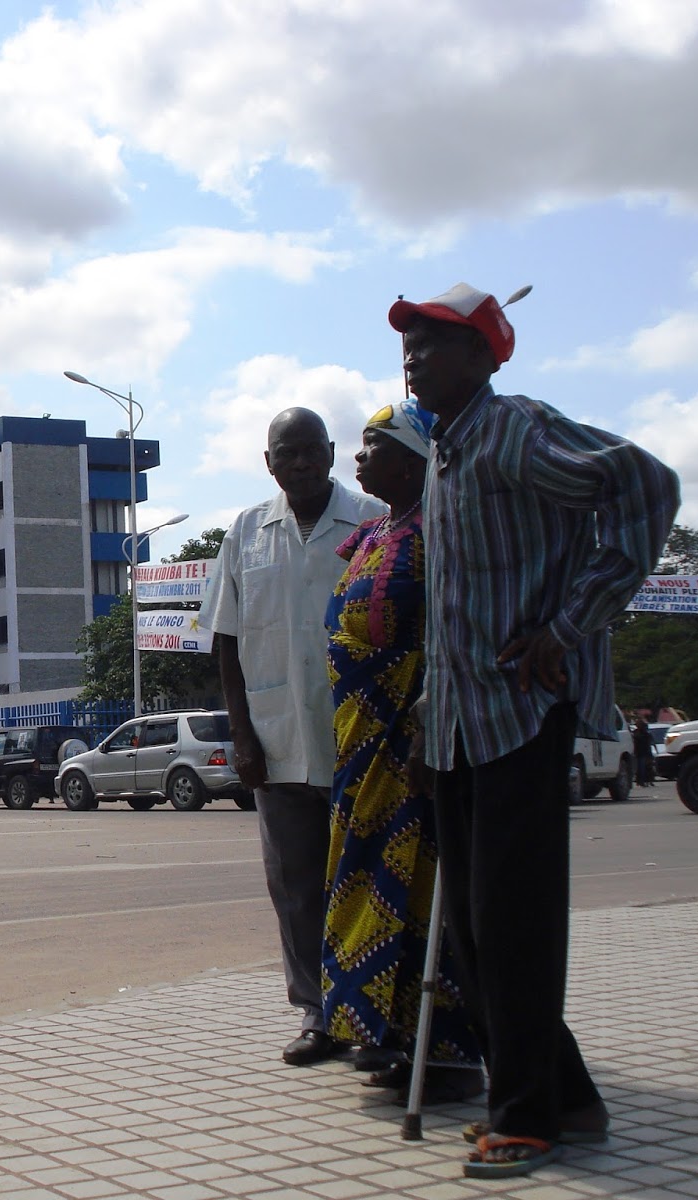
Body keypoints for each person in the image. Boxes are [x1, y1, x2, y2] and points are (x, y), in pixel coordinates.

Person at [392, 283, 679, 1178]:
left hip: (521, 712)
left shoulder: (513, 429)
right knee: (476, 929)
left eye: (435, 343)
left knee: (511, 924)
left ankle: (526, 1117)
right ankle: (569, 1095)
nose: (414, 358)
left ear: (485, 355)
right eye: (409, 344)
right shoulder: (445, 451)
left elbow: (644, 484)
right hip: (463, 723)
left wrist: (570, 626)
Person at [211, 408, 383, 1065]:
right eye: (290, 454)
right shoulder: (248, 532)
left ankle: (371, 1013)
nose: (303, 464)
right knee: (296, 887)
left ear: (332, 452)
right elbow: (226, 642)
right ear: (269, 463)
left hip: (360, 738)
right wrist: (242, 735)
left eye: (313, 451)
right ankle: (319, 1015)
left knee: (365, 884)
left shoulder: (374, 519)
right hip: (277, 741)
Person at [322, 400, 482, 1101]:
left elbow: (452, 637)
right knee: (361, 877)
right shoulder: (374, 533)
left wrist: (424, 725)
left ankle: (443, 1050)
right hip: (359, 746)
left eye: (375, 445)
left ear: (417, 461)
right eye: (361, 444)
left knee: (418, 891)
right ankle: (383, 1032)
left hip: (408, 741)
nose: (361, 458)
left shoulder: (441, 533)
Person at [631, 717, 655, 786]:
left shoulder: (645, 734)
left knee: (647, 767)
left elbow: (649, 743)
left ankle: (647, 780)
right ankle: (641, 781)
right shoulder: (636, 733)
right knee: (641, 768)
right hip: (640, 753)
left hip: (645, 752)